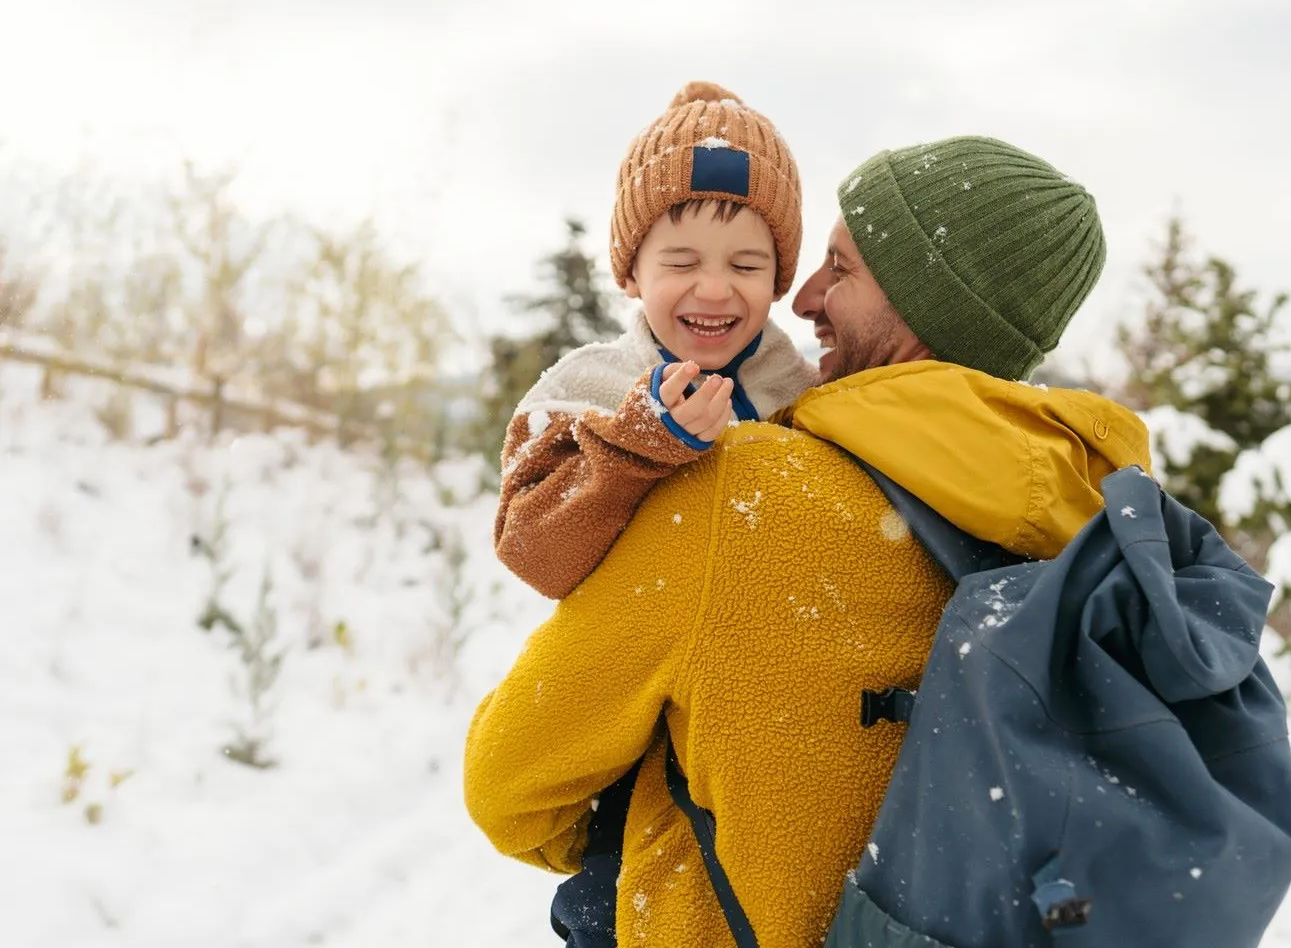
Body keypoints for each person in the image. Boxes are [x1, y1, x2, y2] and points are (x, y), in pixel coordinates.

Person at [464, 135, 1152, 947]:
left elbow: (510, 785)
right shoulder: (1098, 518)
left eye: (840, 268)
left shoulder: (743, 492)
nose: (804, 299)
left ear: (921, 302)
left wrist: (633, 823)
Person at [494, 79, 816, 603]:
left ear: (778, 280)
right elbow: (533, 556)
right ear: (631, 275)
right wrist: (638, 445)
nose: (714, 289)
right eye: (681, 263)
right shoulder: (584, 389)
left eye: (746, 265)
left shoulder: (810, 398)